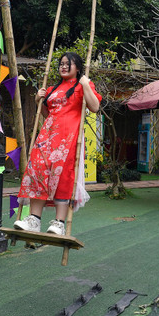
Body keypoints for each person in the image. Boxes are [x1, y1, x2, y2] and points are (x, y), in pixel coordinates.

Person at [14, 52, 101, 236]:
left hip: (69, 137)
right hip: (47, 135)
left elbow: (94, 107)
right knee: (36, 171)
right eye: (61, 63)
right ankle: (34, 220)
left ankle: (59, 223)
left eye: (68, 64)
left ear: (77, 68)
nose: (63, 66)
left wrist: (85, 84)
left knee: (62, 175)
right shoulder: (52, 89)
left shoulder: (82, 85)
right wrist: (39, 100)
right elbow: (48, 114)